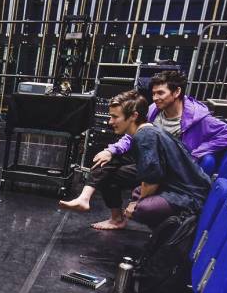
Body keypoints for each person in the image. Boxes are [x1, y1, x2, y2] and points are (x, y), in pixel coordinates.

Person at [60, 71, 227, 228]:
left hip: (175, 177)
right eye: (153, 93)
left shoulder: (196, 118)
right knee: (107, 162)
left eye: (160, 93)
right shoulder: (151, 113)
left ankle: (166, 231)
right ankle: (96, 205)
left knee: (142, 206)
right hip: (155, 164)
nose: (155, 98)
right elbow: (132, 136)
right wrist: (112, 150)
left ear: (176, 92)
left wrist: (196, 152)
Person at [79, 93, 210, 229]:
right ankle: (116, 219)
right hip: (171, 184)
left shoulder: (145, 136)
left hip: (187, 195)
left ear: (133, 116)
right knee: (109, 175)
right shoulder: (147, 130)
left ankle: (172, 230)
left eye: (115, 117)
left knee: (141, 208)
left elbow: (152, 180)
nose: (110, 122)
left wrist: (136, 202)